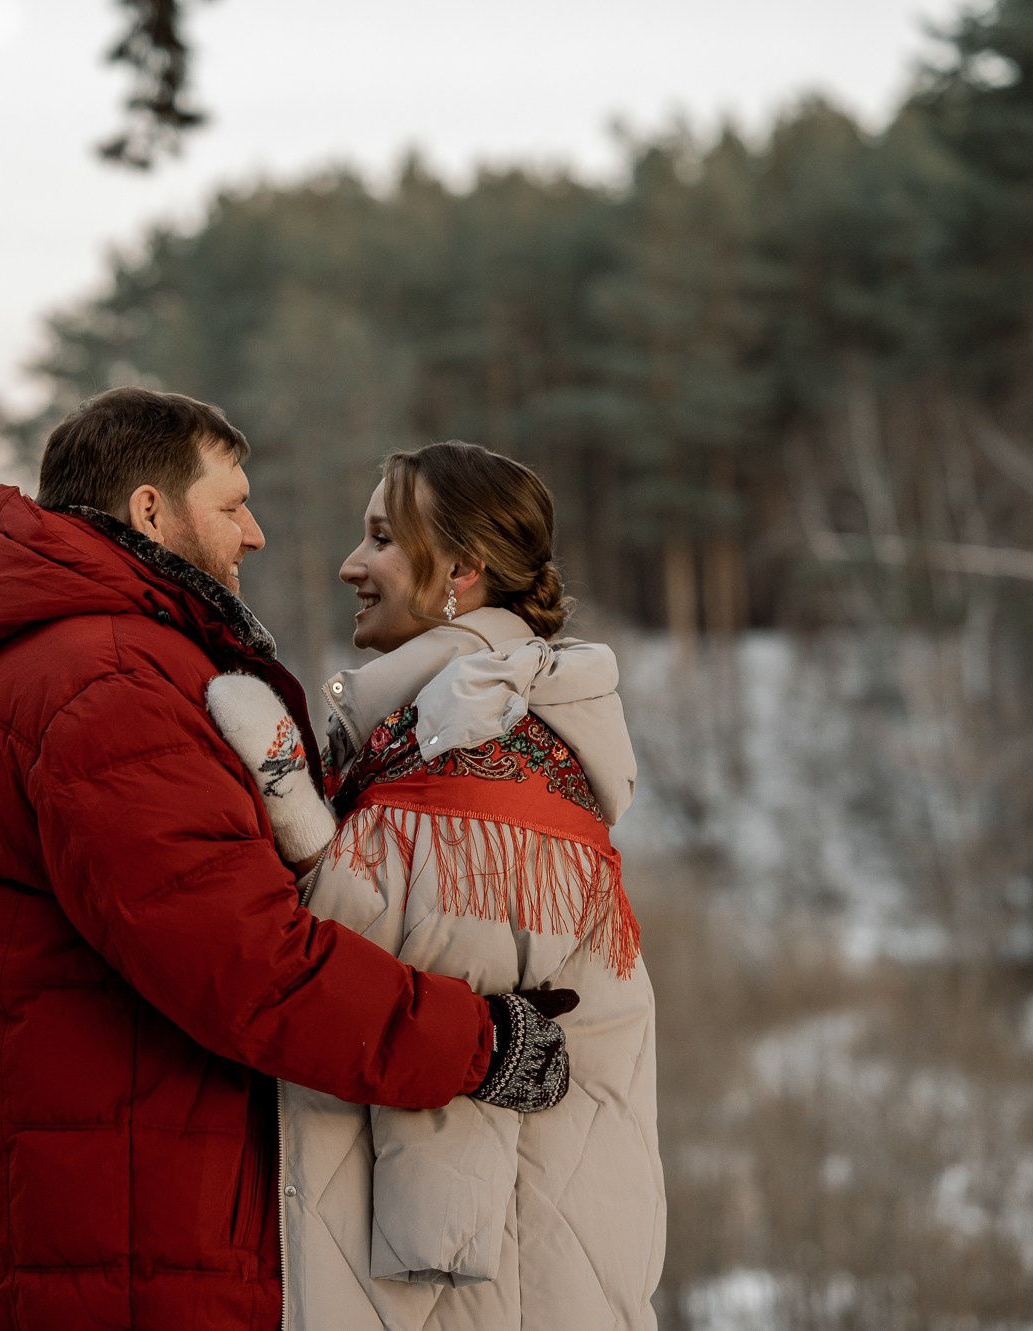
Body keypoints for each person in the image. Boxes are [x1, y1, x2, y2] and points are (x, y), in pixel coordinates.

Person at [0, 389, 578, 1331]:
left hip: (88, 1231)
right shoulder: (107, 686)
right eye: (231, 506)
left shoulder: (66, 661)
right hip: (124, 1257)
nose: (255, 533)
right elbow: (250, 963)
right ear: (150, 510)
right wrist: (480, 1042)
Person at [204, 441, 664, 1330]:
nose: (351, 564)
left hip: (494, 1280)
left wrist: (290, 806)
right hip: (489, 1264)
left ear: (461, 569)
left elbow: (370, 985)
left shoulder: (491, 750)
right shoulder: (441, 730)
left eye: (381, 537)